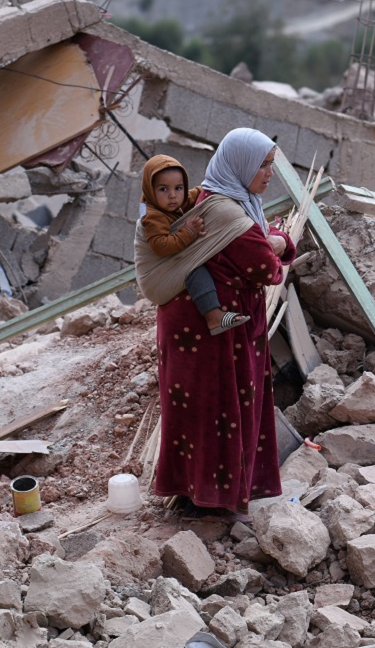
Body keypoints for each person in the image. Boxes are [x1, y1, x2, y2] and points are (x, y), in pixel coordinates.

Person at [146, 128, 295, 519]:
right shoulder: (229, 213)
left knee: (197, 410)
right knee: (217, 410)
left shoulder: (218, 200)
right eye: (262, 165)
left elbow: (265, 249)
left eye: (270, 165)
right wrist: (277, 242)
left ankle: (195, 494)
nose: (268, 174)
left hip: (194, 326)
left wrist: (273, 241)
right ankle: (210, 502)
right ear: (240, 165)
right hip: (211, 333)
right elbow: (267, 268)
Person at [139, 154, 250, 335]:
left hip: (171, 262)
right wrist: (188, 233)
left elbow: (199, 192)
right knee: (195, 270)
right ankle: (213, 317)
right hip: (156, 277)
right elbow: (161, 246)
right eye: (163, 189)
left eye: (178, 188)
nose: (173, 195)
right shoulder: (152, 215)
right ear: (150, 190)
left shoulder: (178, 201)